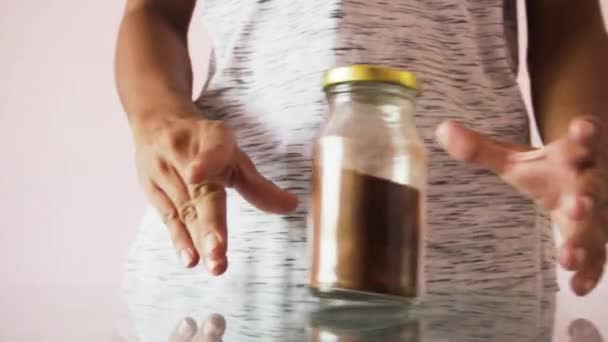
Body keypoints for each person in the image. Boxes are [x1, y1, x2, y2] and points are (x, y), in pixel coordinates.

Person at [115, 0, 608, 305]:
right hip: (236, 257)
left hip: (475, 270)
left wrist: (580, 157)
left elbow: (568, 20)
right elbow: (151, 10)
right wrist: (161, 119)